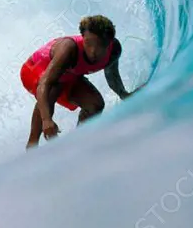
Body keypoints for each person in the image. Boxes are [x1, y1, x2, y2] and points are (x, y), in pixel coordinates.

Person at [20, 14, 141, 148]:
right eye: (88, 44)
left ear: (110, 42)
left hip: (68, 76)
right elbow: (45, 84)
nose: (93, 51)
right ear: (82, 37)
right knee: (55, 88)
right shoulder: (68, 49)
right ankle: (32, 146)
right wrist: (46, 120)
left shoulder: (114, 51)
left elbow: (112, 76)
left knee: (96, 104)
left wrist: (124, 94)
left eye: (100, 45)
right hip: (33, 71)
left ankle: (77, 145)